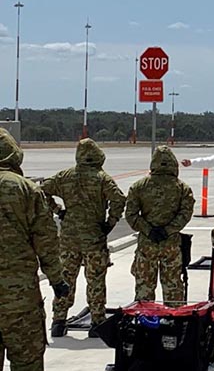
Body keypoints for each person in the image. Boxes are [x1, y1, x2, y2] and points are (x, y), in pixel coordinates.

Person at [42, 138, 126, 338]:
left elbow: (42, 190)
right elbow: (119, 199)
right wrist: (110, 222)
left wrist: (58, 211)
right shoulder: (101, 178)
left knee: (65, 279)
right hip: (94, 238)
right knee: (95, 280)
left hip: (69, 238)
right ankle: (97, 322)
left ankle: (59, 321)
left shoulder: (65, 176)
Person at [0, 129, 68, 370]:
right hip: (20, 298)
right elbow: (46, 240)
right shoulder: (26, 189)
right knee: (27, 362)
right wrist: (58, 280)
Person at [127, 146, 195, 306]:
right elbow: (185, 214)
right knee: (173, 287)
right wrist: (167, 230)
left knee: (144, 287)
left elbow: (131, 215)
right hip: (170, 244)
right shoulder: (182, 188)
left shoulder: (139, 186)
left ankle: (145, 322)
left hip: (146, 244)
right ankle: (175, 321)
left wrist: (149, 230)